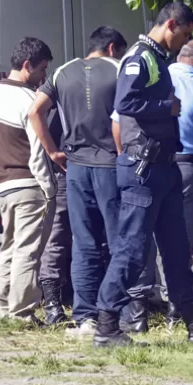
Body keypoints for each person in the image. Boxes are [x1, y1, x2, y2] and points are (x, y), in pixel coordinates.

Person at [95, 1, 193, 348]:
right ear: (171, 24)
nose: (184, 42)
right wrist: (167, 107)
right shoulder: (140, 57)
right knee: (131, 249)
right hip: (143, 171)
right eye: (185, 34)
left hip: (167, 169)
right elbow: (125, 104)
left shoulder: (158, 59)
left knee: (176, 250)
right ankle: (106, 326)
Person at [116, 40, 193, 329]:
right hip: (185, 168)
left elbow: (118, 124)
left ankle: (137, 315)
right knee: (178, 244)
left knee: (139, 238)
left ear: (179, 56)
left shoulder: (153, 78)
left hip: (143, 163)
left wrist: (128, 157)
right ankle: (176, 314)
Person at [28, 26, 127, 337]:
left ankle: (84, 316)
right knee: (116, 243)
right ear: (112, 48)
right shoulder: (119, 68)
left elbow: (34, 112)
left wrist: (53, 151)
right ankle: (116, 313)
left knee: (84, 245)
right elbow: (123, 118)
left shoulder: (61, 72)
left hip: (75, 168)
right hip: (109, 165)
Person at [0, 37, 57, 325]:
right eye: (42, 70)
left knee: (8, 247)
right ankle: (22, 312)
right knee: (28, 251)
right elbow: (38, 153)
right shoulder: (29, 101)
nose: (44, 77)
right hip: (28, 185)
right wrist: (48, 190)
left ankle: (0, 307)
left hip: (2, 184)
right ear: (27, 66)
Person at [37, 104, 72, 326]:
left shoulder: (58, 102)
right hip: (65, 173)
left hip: (65, 173)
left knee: (57, 240)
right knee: (57, 239)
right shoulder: (56, 106)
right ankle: (53, 303)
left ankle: (55, 304)